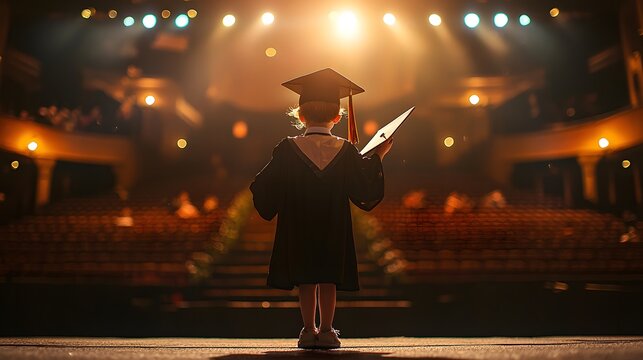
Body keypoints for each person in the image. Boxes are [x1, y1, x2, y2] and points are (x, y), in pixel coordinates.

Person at [250, 68, 393, 349]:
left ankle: (307, 330)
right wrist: (379, 156)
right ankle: (327, 330)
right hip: (333, 224)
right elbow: (363, 187)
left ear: (300, 116)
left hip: (299, 223)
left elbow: (263, 184)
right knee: (329, 277)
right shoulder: (345, 150)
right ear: (338, 117)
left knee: (306, 277)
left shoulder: (287, 148)